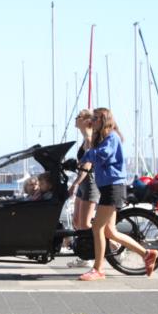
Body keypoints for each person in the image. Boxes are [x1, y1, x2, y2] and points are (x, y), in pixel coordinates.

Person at [75, 107, 158, 280]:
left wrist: (87, 155)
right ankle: (147, 254)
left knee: (97, 227)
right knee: (110, 232)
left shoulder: (111, 137)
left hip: (113, 188)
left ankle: (98, 269)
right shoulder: (105, 137)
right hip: (109, 187)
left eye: (96, 118)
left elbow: (102, 155)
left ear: (104, 120)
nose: (93, 121)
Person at [66, 109, 99, 268]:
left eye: (78, 116)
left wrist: (75, 183)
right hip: (83, 182)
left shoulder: (91, 138)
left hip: (90, 182)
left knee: (85, 223)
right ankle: (85, 256)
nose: (75, 118)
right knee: (77, 222)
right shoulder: (84, 139)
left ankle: (110, 247)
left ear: (86, 121)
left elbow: (87, 166)